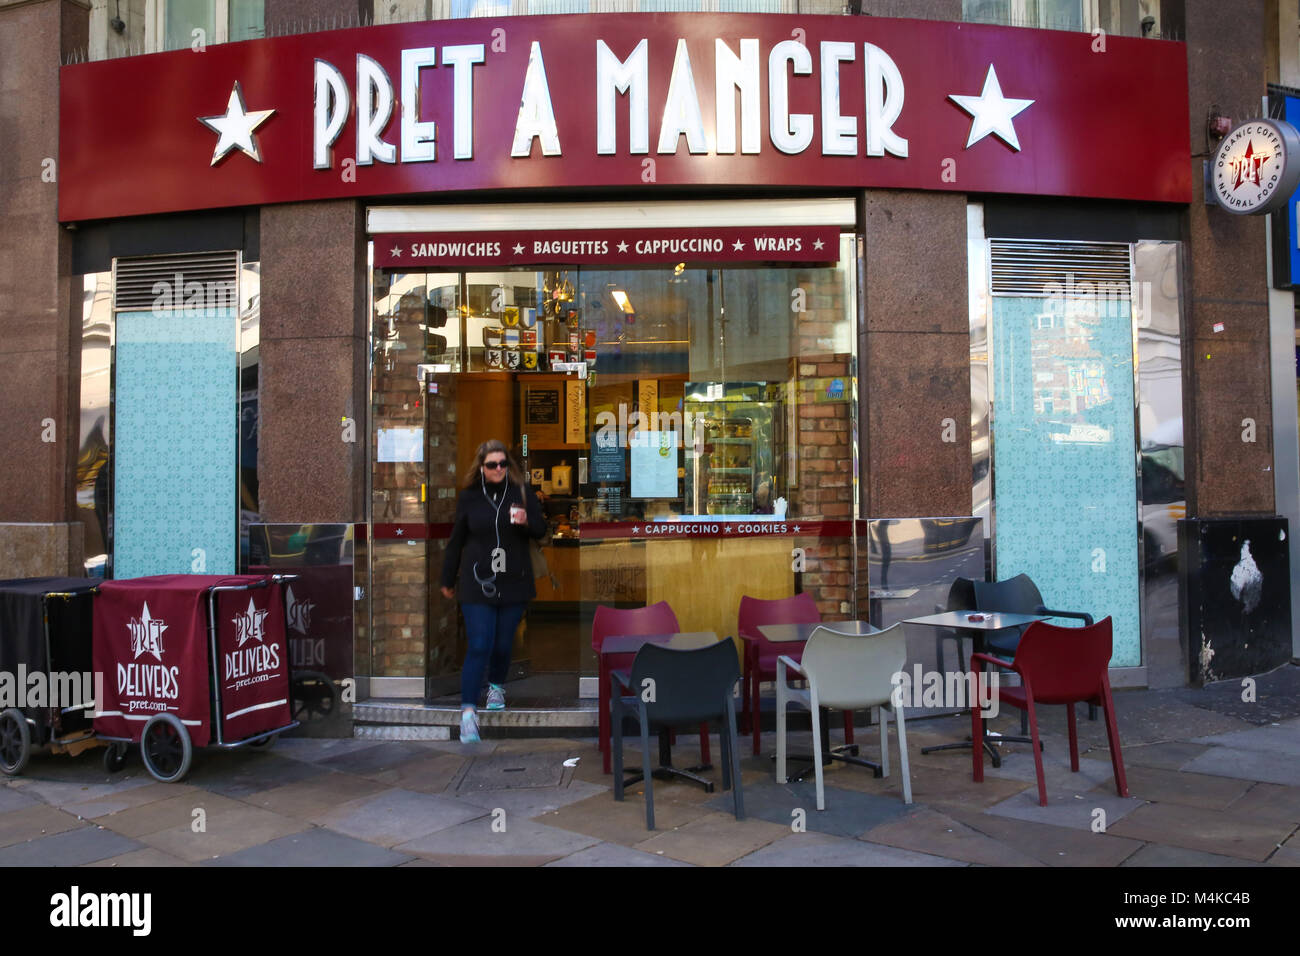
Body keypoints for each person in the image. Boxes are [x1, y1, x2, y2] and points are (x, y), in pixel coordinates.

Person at [440, 439, 547, 743]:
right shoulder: (470, 497)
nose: (498, 469)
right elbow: (456, 540)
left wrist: (527, 521)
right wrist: (448, 578)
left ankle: (497, 685)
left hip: (514, 580)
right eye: (492, 465)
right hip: (478, 581)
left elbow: (541, 530)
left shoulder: (521, 493)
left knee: (502, 644)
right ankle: (468, 713)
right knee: (479, 644)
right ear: (481, 467)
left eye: (503, 464)